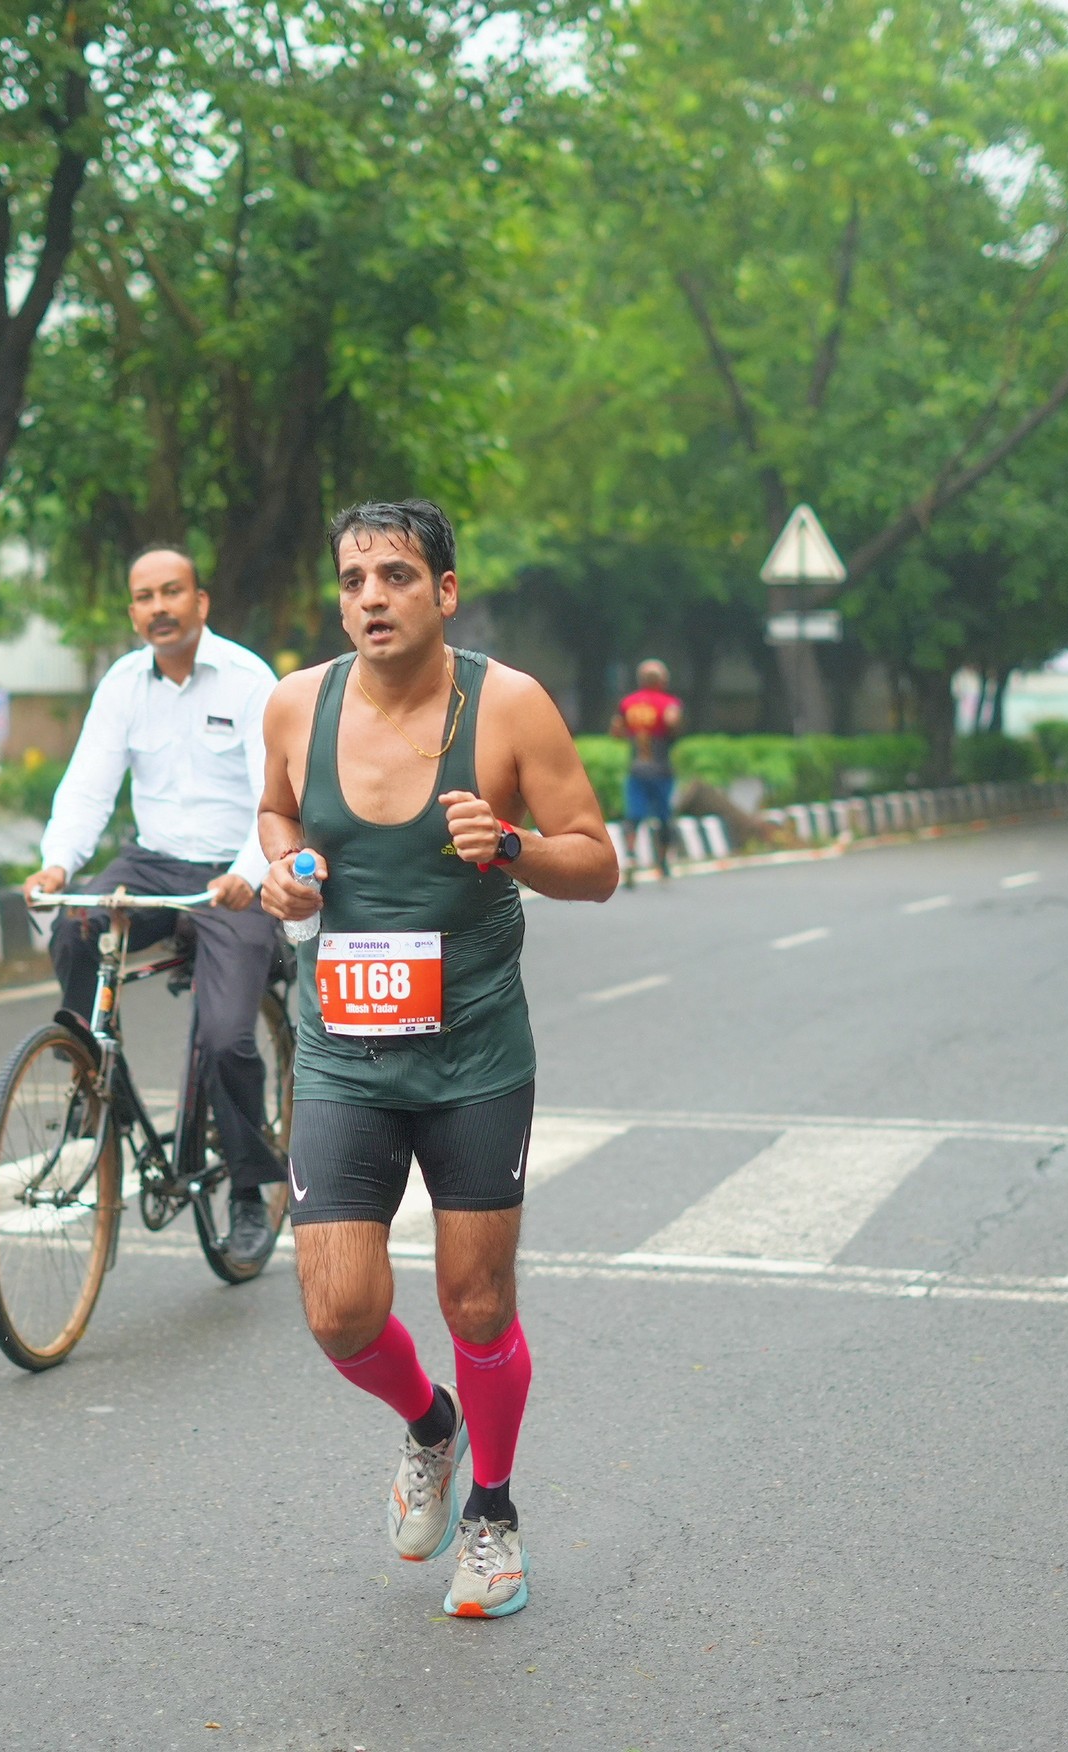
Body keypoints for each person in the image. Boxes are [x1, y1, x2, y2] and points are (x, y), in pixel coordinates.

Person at [256, 499, 618, 1619]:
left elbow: (597, 863)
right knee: (339, 1309)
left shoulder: (509, 706)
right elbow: (273, 813)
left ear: (445, 592)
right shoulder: (296, 704)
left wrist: (508, 846)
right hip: (344, 1051)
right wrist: (285, 872)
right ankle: (430, 1425)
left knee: (476, 1301)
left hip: (474, 1055)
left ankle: (493, 1516)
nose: (373, 597)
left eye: (398, 576)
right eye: (354, 580)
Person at [26, 545, 287, 1268]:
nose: (159, 608)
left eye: (172, 592)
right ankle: (90, 1074)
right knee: (76, 925)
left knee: (226, 1038)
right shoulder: (123, 684)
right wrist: (57, 863)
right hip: (152, 862)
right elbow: (88, 786)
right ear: (133, 611)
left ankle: (249, 1190)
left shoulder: (249, 681)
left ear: (200, 602)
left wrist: (247, 873)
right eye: (144, 597)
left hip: (234, 872)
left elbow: (276, 796)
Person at [610, 659, 686, 881]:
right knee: (664, 817)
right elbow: (673, 723)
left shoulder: (628, 703)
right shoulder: (669, 703)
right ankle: (663, 863)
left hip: (637, 769)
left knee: (634, 816)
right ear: (663, 681)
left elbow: (616, 730)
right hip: (661, 769)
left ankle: (631, 857)